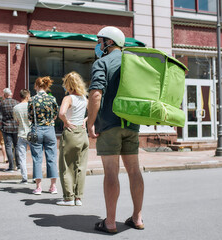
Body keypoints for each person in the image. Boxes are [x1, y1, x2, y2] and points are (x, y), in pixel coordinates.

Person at [87, 26, 144, 233]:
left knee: (111, 172)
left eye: (100, 40)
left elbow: (95, 95)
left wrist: (90, 122)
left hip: (109, 125)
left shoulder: (101, 62)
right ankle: (137, 218)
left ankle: (110, 222)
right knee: (134, 171)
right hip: (131, 124)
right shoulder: (133, 63)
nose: (98, 44)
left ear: (109, 42)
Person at [57, 72, 89, 206]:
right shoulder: (84, 98)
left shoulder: (68, 98)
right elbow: (94, 111)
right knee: (80, 167)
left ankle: (68, 198)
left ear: (68, 85)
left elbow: (61, 113)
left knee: (66, 166)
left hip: (71, 133)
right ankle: (78, 198)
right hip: (83, 133)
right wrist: (86, 120)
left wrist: (66, 122)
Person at [28, 76, 59, 195]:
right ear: (46, 86)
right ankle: (53, 186)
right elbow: (55, 115)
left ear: (36, 86)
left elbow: (30, 117)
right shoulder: (52, 99)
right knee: (51, 158)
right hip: (50, 129)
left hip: (37, 129)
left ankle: (38, 187)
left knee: (37, 158)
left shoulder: (32, 99)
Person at [13, 89, 31, 184]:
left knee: (22, 157)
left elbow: (17, 121)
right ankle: (36, 177)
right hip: (32, 134)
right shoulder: (31, 106)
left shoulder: (16, 108)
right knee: (36, 156)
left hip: (21, 133)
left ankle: (25, 178)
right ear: (27, 96)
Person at [0, 88, 20, 172]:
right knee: (17, 146)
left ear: (4, 95)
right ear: (10, 94)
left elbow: (1, 114)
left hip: (6, 126)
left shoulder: (2, 103)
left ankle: (11, 166)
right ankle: (18, 165)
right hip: (15, 126)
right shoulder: (16, 102)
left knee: (8, 146)